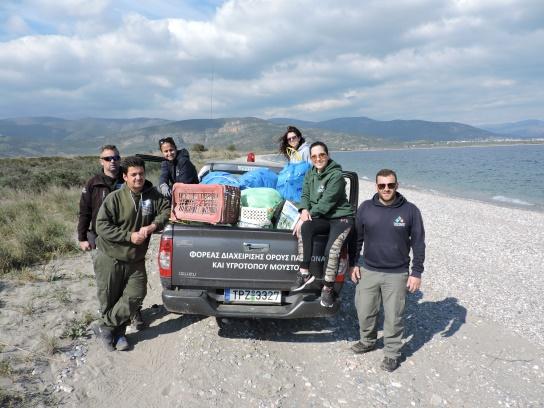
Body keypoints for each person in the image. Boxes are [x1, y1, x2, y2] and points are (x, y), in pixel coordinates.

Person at [349, 169, 426, 372]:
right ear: (376, 186)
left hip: (397, 273)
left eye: (390, 185)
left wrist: (416, 272)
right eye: (382, 185)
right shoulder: (365, 208)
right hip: (369, 270)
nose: (386, 189)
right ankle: (368, 341)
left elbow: (418, 243)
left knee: (394, 316)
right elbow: (356, 239)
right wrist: (354, 263)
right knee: (364, 310)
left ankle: (392, 353)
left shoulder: (410, 211)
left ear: (396, 186)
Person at [92, 156, 170, 351]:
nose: (138, 178)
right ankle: (118, 335)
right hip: (110, 258)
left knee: (136, 294)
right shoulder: (115, 198)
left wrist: (153, 225)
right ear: (125, 177)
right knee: (110, 298)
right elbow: (101, 226)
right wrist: (129, 236)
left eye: (141, 174)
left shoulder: (152, 196)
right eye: (133, 175)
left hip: (135, 259)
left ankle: (104, 326)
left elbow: (166, 210)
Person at [291, 142, 354, 307]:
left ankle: (327, 288)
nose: (318, 158)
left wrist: (306, 216)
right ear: (310, 158)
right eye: (314, 156)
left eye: (321, 155)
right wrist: (303, 210)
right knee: (306, 227)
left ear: (327, 155)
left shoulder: (336, 176)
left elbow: (327, 203)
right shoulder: (310, 173)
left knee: (331, 251)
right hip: (323, 217)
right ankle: (304, 272)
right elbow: (304, 194)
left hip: (341, 217)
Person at [77, 145, 123, 251]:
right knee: (103, 267)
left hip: (125, 236)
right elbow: (85, 212)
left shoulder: (129, 179)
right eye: (108, 159)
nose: (112, 161)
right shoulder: (93, 183)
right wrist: (82, 238)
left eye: (116, 158)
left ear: (119, 160)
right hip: (100, 238)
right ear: (101, 161)